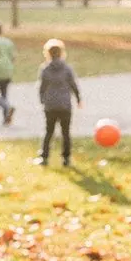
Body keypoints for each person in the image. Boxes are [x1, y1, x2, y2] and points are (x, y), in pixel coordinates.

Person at [35, 39, 81, 167]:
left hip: (50, 105)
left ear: (47, 53)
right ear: (61, 53)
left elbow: (42, 88)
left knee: (49, 131)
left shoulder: (45, 69)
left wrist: (42, 100)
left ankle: (44, 157)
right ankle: (66, 158)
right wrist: (78, 98)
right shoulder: (67, 69)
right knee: (66, 132)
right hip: (65, 105)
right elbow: (73, 85)